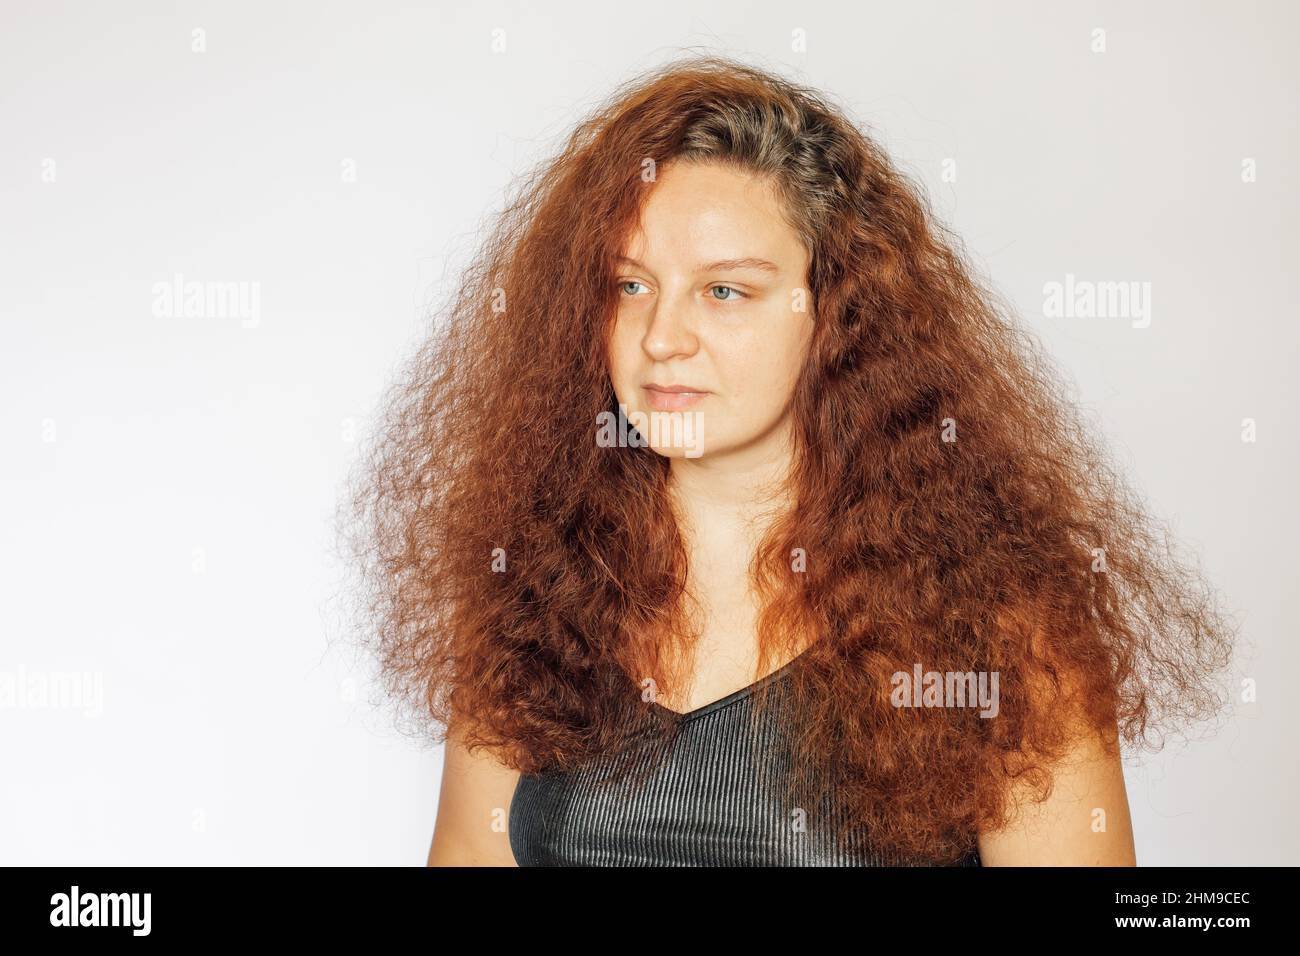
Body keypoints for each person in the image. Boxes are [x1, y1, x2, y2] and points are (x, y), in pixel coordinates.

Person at [341, 54, 1237, 866]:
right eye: (630, 286)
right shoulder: (534, 584)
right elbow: (469, 852)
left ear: (838, 314)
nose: (662, 338)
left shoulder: (997, 625)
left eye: (725, 291)